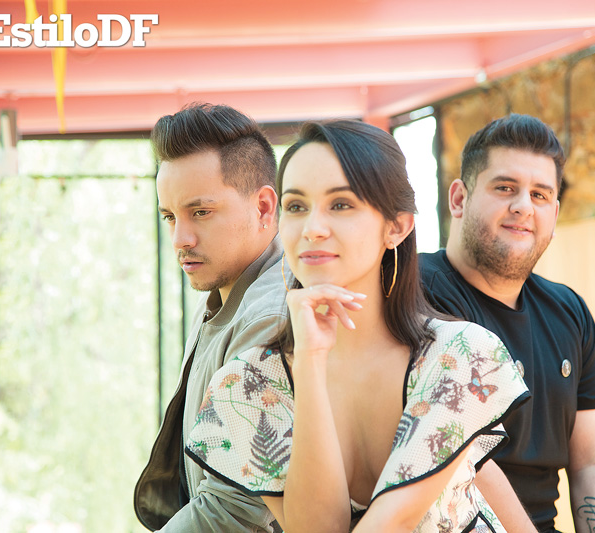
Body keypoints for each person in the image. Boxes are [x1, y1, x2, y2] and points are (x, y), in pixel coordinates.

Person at [183, 120, 532, 532]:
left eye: (341, 205)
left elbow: (394, 522)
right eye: (296, 207)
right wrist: (309, 363)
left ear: (396, 226)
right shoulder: (247, 384)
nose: (312, 228)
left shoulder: (459, 355)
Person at [419, 113, 595, 533]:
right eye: (505, 188)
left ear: (554, 212)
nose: (523, 206)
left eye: (539, 195)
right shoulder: (418, 294)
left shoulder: (569, 313)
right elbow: (467, 459)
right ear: (458, 199)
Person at [133, 103, 287, 532]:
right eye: (169, 217)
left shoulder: (271, 315)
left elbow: (234, 511)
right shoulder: (223, 292)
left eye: (200, 212)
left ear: (263, 207)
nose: (180, 239)